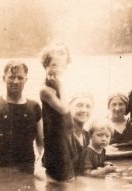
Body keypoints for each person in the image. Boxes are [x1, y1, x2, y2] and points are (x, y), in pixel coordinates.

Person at [0, 60, 43, 174]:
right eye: (11, 77)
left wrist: (41, 166)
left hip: (27, 168)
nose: (15, 81)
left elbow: (41, 143)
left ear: (26, 80)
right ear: (4, 78)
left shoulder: (34, 106)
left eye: (20, 78)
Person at [39, 42, 74, 182]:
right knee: (62, 178)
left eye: (61, 65)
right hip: (55, 140)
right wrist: (61, 85)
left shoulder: (58, 85)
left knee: (69, 177)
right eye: (53, 65)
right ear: (45, 66)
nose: (57, 69)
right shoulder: (45, 90)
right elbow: (64, 109)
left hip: (65, 137)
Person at [67, 93, 94, 174]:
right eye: (79, 105)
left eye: (88, 106)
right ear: (69, 107)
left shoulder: (86, 135)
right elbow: (41, 167)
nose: (84, 110)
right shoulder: (61, 134)